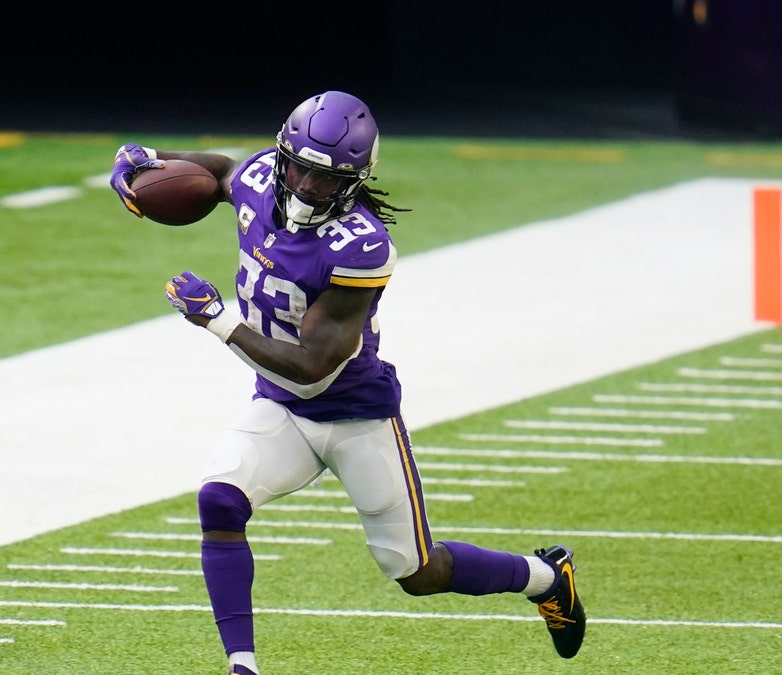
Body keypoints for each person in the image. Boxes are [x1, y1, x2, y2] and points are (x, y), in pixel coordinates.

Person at [108, 91, 585, 675]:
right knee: (220, 499)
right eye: (300, 168)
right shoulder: (266, 174)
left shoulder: (361, 246)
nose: (308, 186)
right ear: (284, 156)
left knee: (417, 572)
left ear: (355, 181)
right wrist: (149, 159)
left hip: (354, 415)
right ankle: (242, 666)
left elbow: (313, 368)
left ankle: (545, 578)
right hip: (280, 408)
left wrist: (218, 319)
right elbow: (224, 171)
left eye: (327, 178)